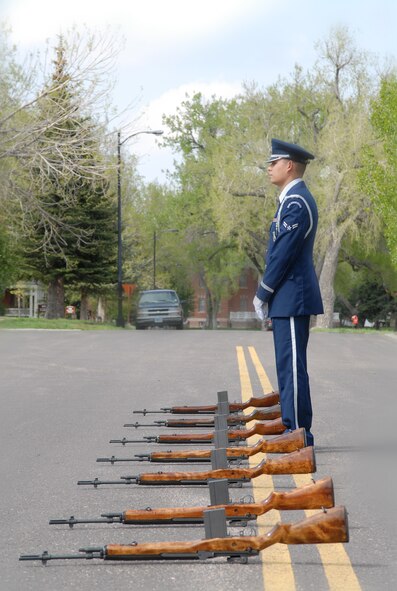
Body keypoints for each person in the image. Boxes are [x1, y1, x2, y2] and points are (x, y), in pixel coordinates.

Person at [253, 138, 323, 446]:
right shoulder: (289, 201)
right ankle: (291, 428)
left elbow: (283, 254)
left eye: (274, 162)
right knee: (287, 365)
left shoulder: (296, 202)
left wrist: (263, 292)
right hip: (287, 299)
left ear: (289, 165)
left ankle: (297, 434)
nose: (269, 167)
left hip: (293, 297)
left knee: (293, 367)